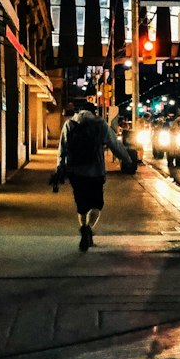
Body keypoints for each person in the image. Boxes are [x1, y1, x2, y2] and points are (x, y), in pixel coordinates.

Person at [52, 101, 135, 252]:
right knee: (96, 204)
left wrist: (60, 167)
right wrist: (127, 159)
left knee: (82, 205)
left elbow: (62, 147)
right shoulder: (99, 124)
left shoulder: (69, 124)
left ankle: (83, 227)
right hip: (95, 171)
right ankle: (88, 229)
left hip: (75, 171)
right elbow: (114, 144)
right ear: (93, 111)